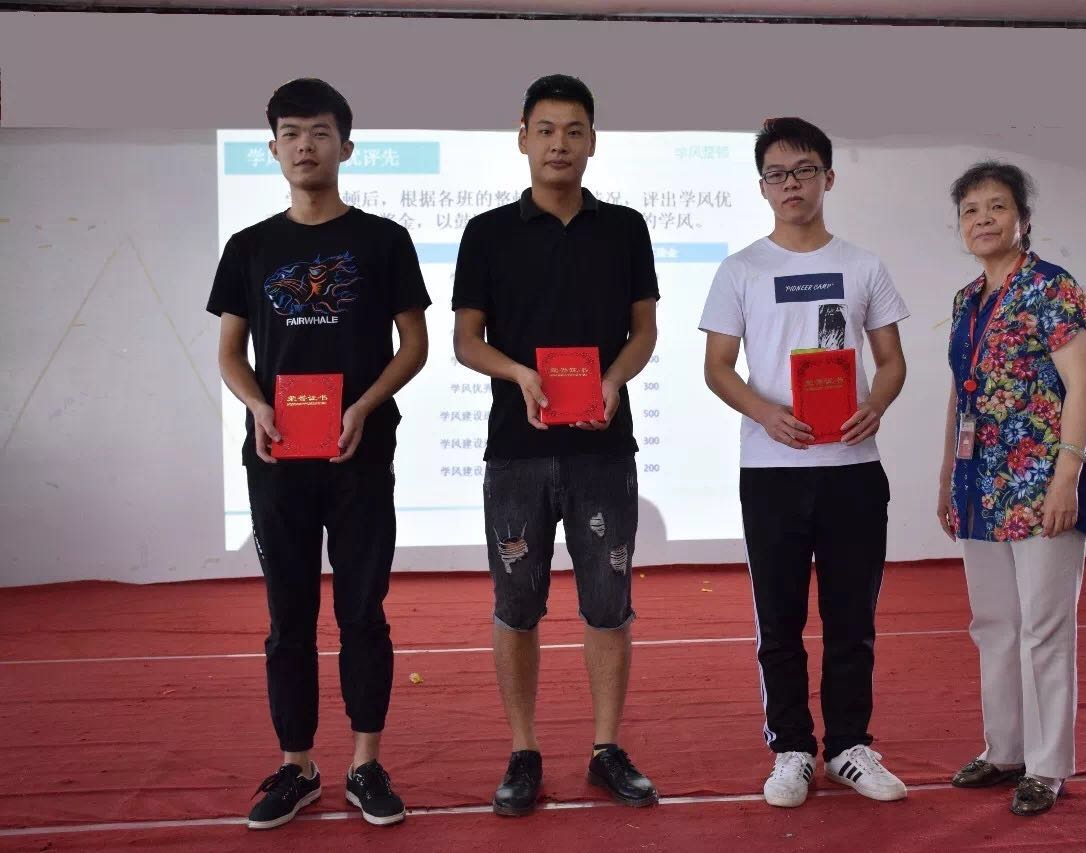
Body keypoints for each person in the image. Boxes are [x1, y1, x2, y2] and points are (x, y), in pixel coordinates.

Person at [206, 78, 430, 830]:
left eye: (321, 132)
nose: (306, 146)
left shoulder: (383, 240)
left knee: (363, 610)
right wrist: (258, 405)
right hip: (276, 458)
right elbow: (230, 353)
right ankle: (296, 765)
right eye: (292, 133)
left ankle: (366, 763)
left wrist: (364, 406)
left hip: (359, 453)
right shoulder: (250, 247)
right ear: (273, 149)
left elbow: (415, 344)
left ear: (346, 146)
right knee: (288, 616)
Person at [451, 74, 660, 817]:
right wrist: (519, 375)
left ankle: (606, 749)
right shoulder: (487, 232)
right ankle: (524, 750)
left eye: (574, 130)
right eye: (546, 130)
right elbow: (465, 341)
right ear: (523, 138)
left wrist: (614, 379)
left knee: (609, 601)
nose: (559, 144)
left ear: (593, 141)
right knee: (517, 603)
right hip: (517, 450)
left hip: (604, 449)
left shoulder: (625, 228)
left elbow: (644, 331)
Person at [699, 117, 910, 809]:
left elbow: (891, 360)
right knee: (779, 620)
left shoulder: (864, 265)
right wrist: (765, 413)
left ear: (829, 177)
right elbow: (717, 367)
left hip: (852, 467)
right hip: (772, 471)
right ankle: (791, 748)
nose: (791, 184)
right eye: (777, 174)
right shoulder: (741, 269)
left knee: (853, 618)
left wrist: (876, 404)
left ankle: (849, 745)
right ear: (762, 186)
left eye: (805, 170)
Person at [938, 160, 1086, 817]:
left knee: (1045, 629)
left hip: (1041, 484)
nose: (983, 219)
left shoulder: (1051, 288)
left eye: (997, 206)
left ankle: (1047, 765)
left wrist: (1067, 477)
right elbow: (961, 393)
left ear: (1023, 219)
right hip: (979, 485)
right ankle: (1004, 749)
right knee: (995, 625)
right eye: (970, 210)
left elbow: (1083, 386)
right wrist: (946, 477)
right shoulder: (966, 300)